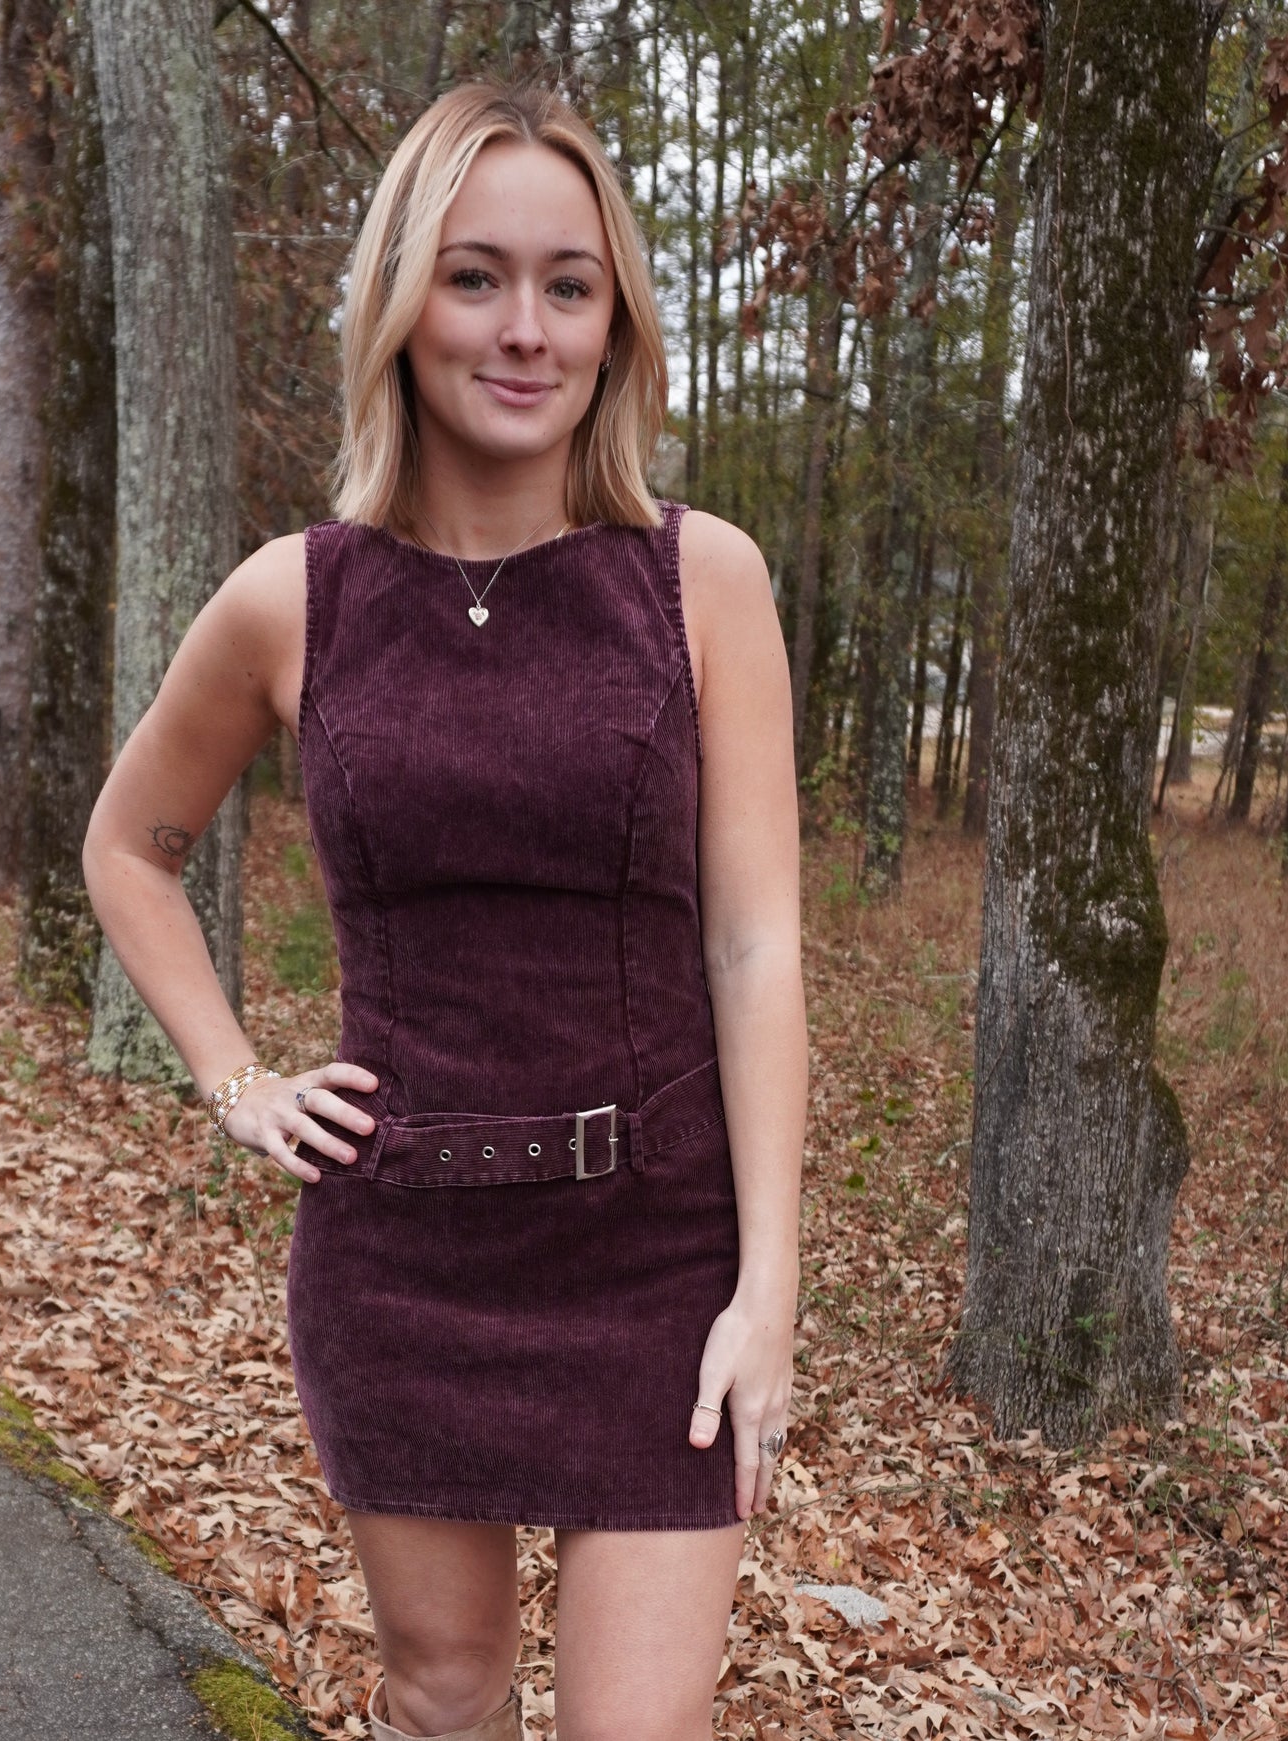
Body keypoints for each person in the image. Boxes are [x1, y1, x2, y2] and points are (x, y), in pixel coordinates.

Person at [83, 78, 807, 1741]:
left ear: (615, 320)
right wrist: (234, 1079)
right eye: (475, 277)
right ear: (402, 302)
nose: (524, 328)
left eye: (569, 284)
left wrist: (767, 1284)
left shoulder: (701, 580)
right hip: (401, 1253)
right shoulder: (293, 599)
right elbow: (129, 846)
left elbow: (755, 944)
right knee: (442, 1691)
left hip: (658, 1247)